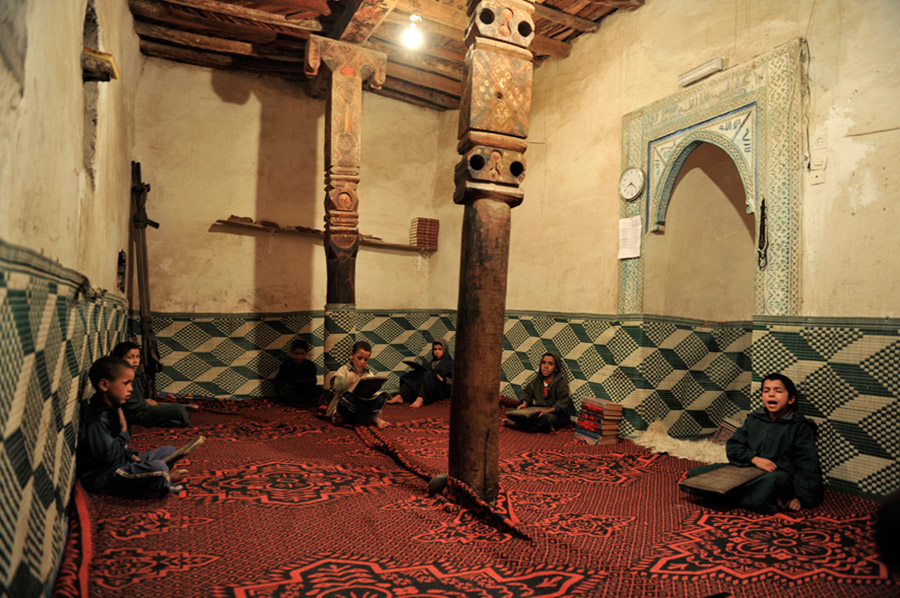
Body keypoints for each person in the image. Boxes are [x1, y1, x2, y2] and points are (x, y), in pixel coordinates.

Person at [681, 373, 824, 515]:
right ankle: (754, 498)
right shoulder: (755, 420)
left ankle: (734, 495)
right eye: (766, 391)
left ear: (791, 399)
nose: (771, 395)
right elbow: (734, 446)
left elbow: (808, 466)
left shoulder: (799, 427)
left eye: (778, 391)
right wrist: (754, 459)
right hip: (747, 471)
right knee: (694, 475)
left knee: (767, 486)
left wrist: (800, 498)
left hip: (777, 476)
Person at [77, 356, 202, 498]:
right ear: (105, 385)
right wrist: (124, 432)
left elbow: (117, 449)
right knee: (159, 467)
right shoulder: (97, 418)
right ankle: (160, 481)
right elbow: (107, 456)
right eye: (126, 383)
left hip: (122, 463)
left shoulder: (114, 409)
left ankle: (155, 478)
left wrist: (130, 455)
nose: (130, 389)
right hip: (107, 477)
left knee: (169, 450)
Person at [112, 341, 190, 428]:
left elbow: (137, 399)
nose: (135, 361)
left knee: (178, 412)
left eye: (137, 357)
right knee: (178, 408)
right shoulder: (122, 379)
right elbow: (130, 405)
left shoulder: (135, 376)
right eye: (130, 357)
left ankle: (172, 423)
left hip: (141, 410)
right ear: (119, 360)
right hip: (135, 414)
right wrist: (146, 402)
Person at [325, 341, 390, 429]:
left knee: (381, 397)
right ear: (352, 355)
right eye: (359, 358)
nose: (362, 362)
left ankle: (347, 419)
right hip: (347, 405)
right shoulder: (344, 370)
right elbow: (337, 387)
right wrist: (346, 382)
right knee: (347, 397)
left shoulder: (369, 373)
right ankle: (373, 419)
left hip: (362, 403)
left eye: (366, 359)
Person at [504, 352, 574, 432]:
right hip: (538, 410)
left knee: (545, 419)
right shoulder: (537, 381)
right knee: (514, 412)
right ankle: (522, 422)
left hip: (554, 414)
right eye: (543, 363)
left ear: (556, 368)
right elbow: (527, 393)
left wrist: (546, 411)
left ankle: (518, 426)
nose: (545, 366)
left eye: (550, 364)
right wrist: (524, 404)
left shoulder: (561, 383)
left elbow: (562, 403)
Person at [387, 338, 453, 408]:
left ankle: (420, 399)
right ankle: (401, 396)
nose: (437, 352)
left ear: (445, 350)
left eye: (440, 349)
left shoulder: (451, 363)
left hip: (442, 389)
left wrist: (444, 380)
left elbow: (457, 382)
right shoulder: (433, 363)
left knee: (427, 375)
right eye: (435, 349)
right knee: (413, 374)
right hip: (431, 386)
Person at [273, 339, 323, 409]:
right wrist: (287, 385)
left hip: (305, 391)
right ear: (292, 353)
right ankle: (300, 401)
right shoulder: (286, 365)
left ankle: (300, 401)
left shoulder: (310, 365)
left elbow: (314, 381)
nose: (299, 357)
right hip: (292, 391)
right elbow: (278, 381)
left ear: (306, 354)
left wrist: (305, 383)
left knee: (322, 388)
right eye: (296, 353)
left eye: (302, 354)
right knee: (284, 392)